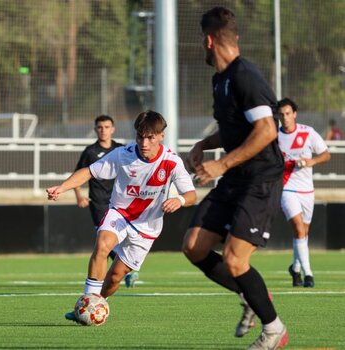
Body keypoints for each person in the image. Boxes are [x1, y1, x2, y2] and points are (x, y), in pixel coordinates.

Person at [182, 7, 288, 350]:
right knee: (194, 247)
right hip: (234, 178)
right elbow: (235, 129)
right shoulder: (221, 79)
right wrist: (204, 144)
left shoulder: (246, 76)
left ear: (209, 39)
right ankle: (249, 293)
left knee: (234, 259)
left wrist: (222, 164)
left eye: (202, 39)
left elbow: (266, 130)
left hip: (259, 180)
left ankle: (274, 330)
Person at [46, 110, 196, 322]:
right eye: (140, 136)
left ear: (161, 136)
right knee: (102, 245)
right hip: (120, 214)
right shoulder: (123, 154)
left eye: (150, 137)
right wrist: (62, 187)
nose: (144, 143)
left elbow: (191, 195)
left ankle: (97, 303)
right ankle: (86, 303)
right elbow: (89, 171)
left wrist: (179, 200)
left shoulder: (172, 162)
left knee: (115, 278)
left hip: (147, 227)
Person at [74, 115, 138, 288]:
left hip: (120, 202)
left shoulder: (121, 150)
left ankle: (126, 267)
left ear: (113, 129)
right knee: (104, 241)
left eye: (107, 127)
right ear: (96, 130)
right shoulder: (90, 152)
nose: (103, 130)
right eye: (100, 127)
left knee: (119, 239)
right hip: (99, 203)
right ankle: (122, 271)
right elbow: (79, 174)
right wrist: (79, 196)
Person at [278, 98, 331, 288]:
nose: (285, 118)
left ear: (295, 114)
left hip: (307, 190)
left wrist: (310, 162)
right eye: (281, 114)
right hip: (287, 188)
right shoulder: (274, 137)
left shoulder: (307, 133)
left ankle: (296, 268)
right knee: (299, 229)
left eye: (288, 113)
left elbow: (325, 154)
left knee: (303, 233)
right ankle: (309, 275)